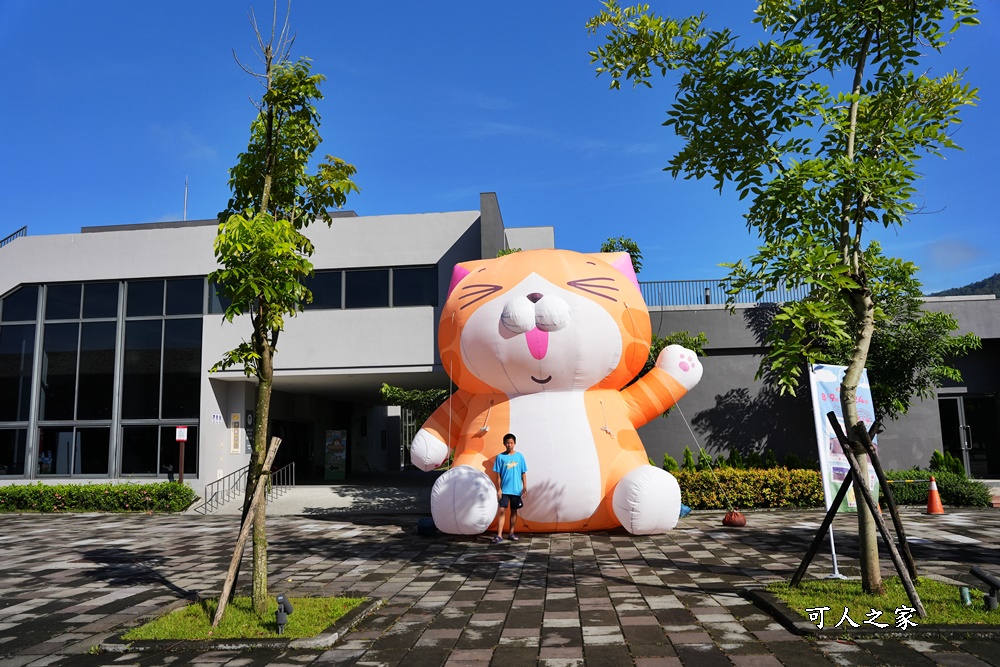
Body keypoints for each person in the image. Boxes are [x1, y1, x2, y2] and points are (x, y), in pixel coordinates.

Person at [491, 433, 527, 543]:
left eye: (511, 443)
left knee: (514, 511)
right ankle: (499, 535)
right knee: (502, 510)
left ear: (514, 443)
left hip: (516, 490)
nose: (509, 445)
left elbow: (523, 472)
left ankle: (511, 533)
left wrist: (524, 487)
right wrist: (499, 489)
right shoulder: (500, 457)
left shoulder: (520, 456)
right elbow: (498, 475)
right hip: (504, 490)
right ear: (504, 444)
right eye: (507, 443)